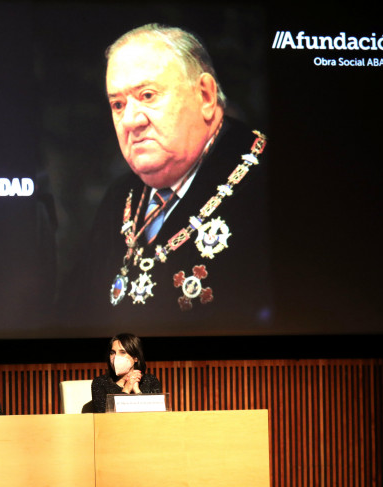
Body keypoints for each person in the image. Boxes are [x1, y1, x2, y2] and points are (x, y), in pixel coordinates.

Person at [65, 23, 269, 329]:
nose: (131, 120)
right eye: (118, 105)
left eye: (147, 95)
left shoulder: (269, 186)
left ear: (206, 95)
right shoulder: (118, 197)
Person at [90, 333, 162, 413]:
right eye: (112, 352)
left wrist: (137, 391)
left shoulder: (150, 380)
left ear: (135, 358)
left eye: (122, 352)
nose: (116, 357)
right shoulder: (100, 382)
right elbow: (103, 417)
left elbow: (157, 415)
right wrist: (126, 389)